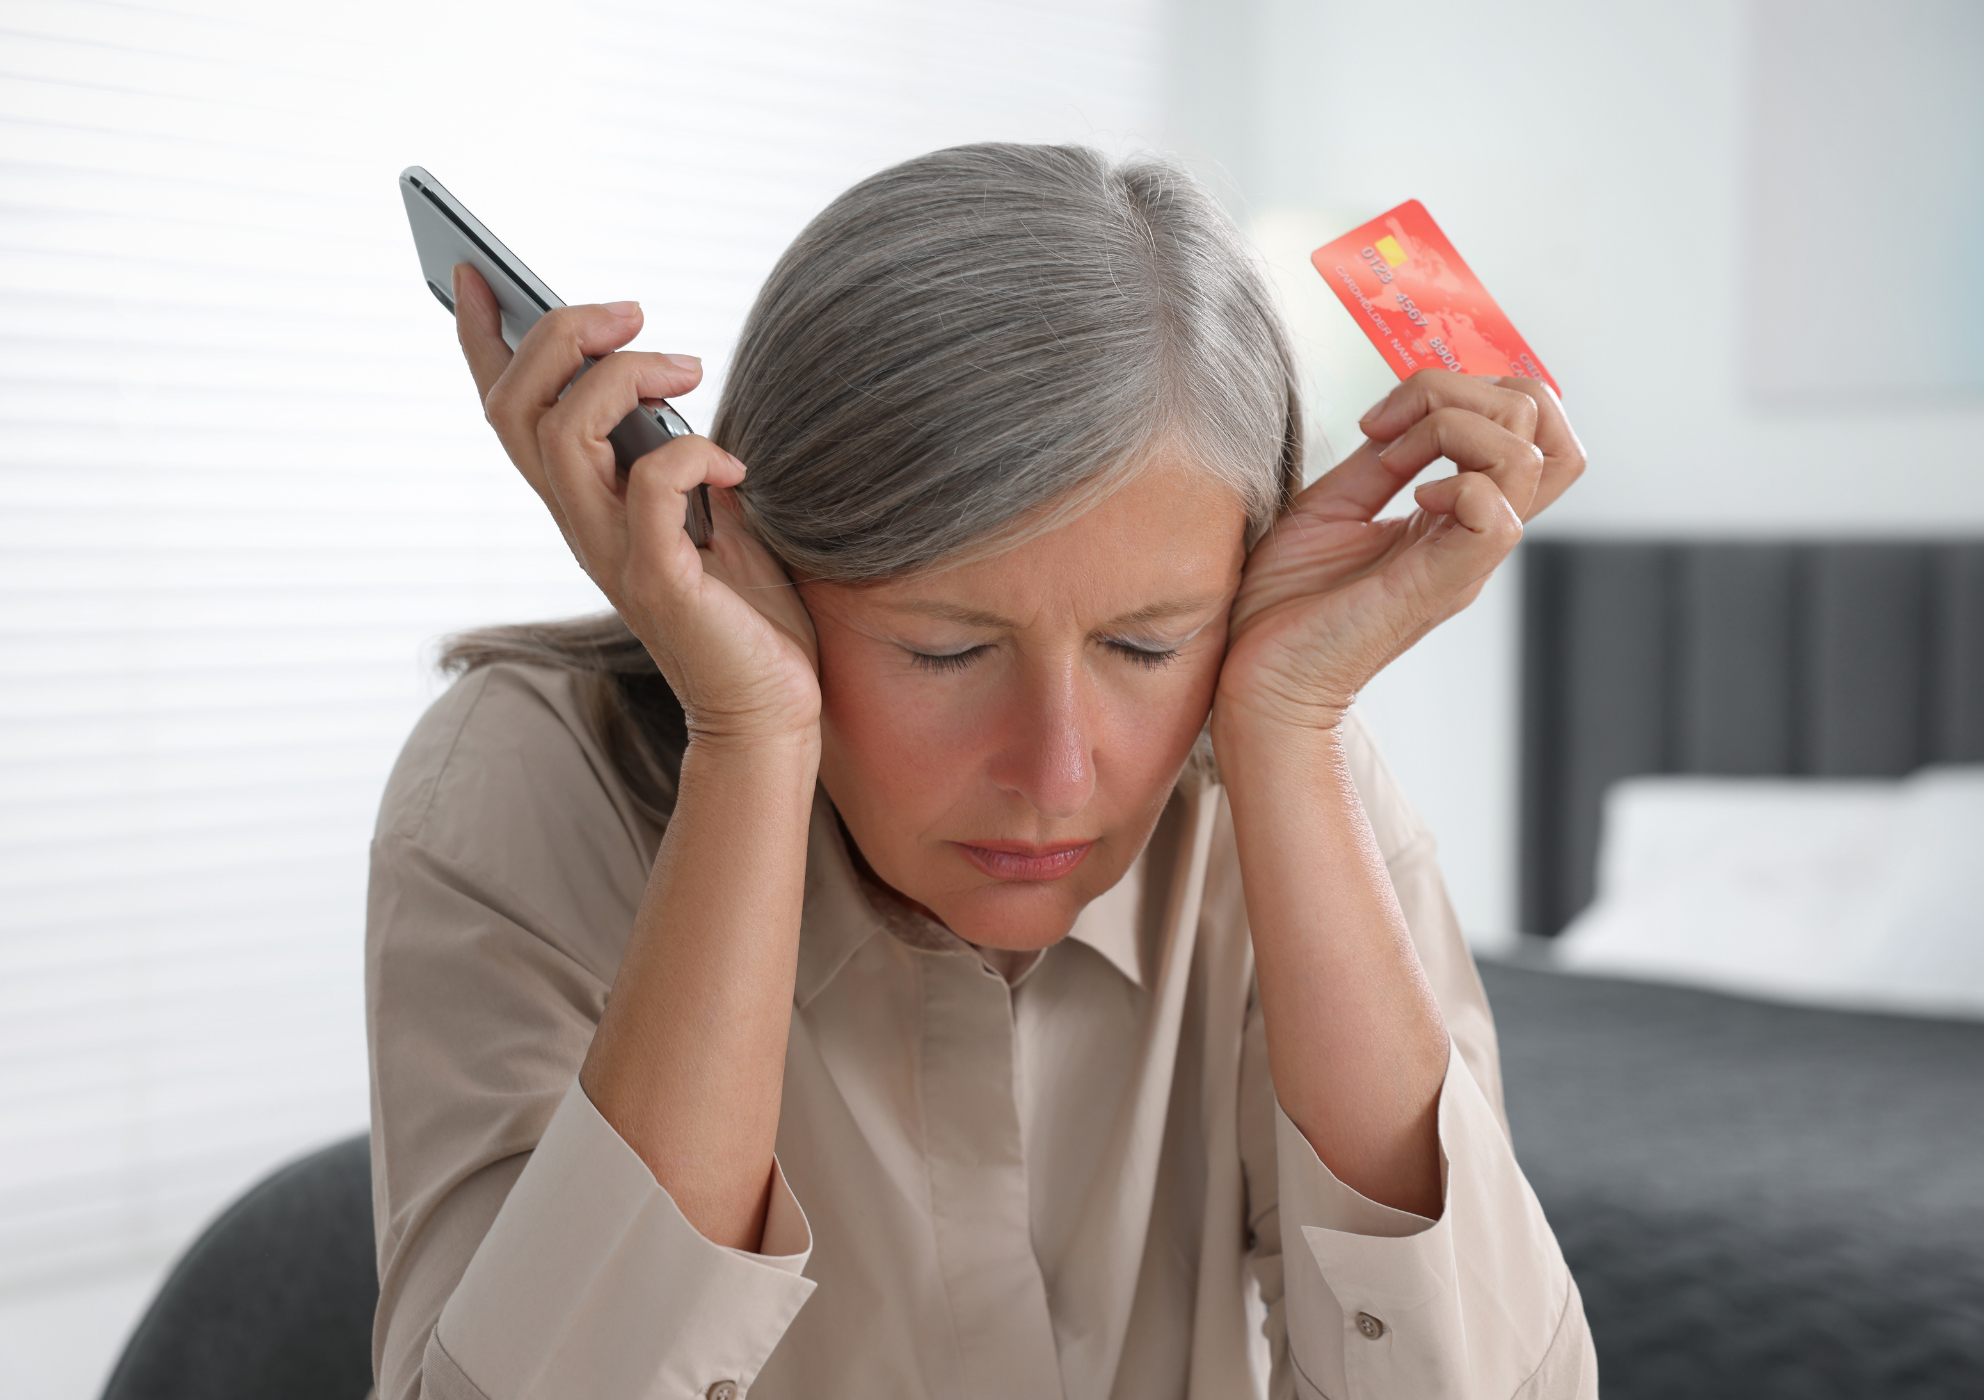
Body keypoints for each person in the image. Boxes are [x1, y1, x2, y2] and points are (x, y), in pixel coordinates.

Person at [366, 143, 1594, 1400]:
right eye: (946, 649)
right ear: (757, 565)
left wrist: (1286, 726)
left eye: (1145, 643)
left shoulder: (1284, 762)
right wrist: (750, 737)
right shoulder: (523, 782)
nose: (1057, 771)